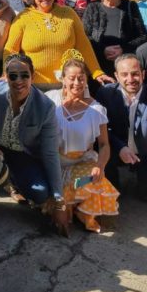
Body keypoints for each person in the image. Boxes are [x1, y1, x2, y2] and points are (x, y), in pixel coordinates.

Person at [0, 54, 68, 233]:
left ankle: (11, 181)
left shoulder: (46, 107)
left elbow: (50, 153)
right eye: (13, 76)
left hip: (22, 154)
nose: (18, 80)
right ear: (5, 77)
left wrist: (59, 203)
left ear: (33, 76)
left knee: (41, 193)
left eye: (24, 75)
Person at [46, 59, 120, 231]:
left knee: (91, 180)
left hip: (80, 162)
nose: (76, 83)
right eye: (72, 78)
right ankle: (65, 207)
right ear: (63, 78)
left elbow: (104, 145)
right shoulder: (50, 99)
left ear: (87, 80)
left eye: (81, 78)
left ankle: (82, 212)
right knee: (52, 199)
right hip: (52, 161)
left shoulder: (97, 110)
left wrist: (100, 166)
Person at [4, 0, 111, 89]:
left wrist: (96, 71)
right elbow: (11, 50)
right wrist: (7, 72)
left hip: (67, 85)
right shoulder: (23, 18)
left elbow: (83, 45)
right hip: (33, 87)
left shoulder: (68, 13)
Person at [94, 55, 147, 200]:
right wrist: (120, 147)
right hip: (115, 150)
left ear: (143, 74)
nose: (130, 79)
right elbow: (101, 129)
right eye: (124, 75)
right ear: (116, 76)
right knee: (110, 192)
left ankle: (141, 185)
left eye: (135, 74)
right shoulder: (105, 94)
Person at [83, 0, 147, 77]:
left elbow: (142, 36)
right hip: (99, 66)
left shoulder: (130, 6)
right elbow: (85, 37)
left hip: (125, 67)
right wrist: (103, 50)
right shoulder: (92, 7)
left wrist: (123, 49)